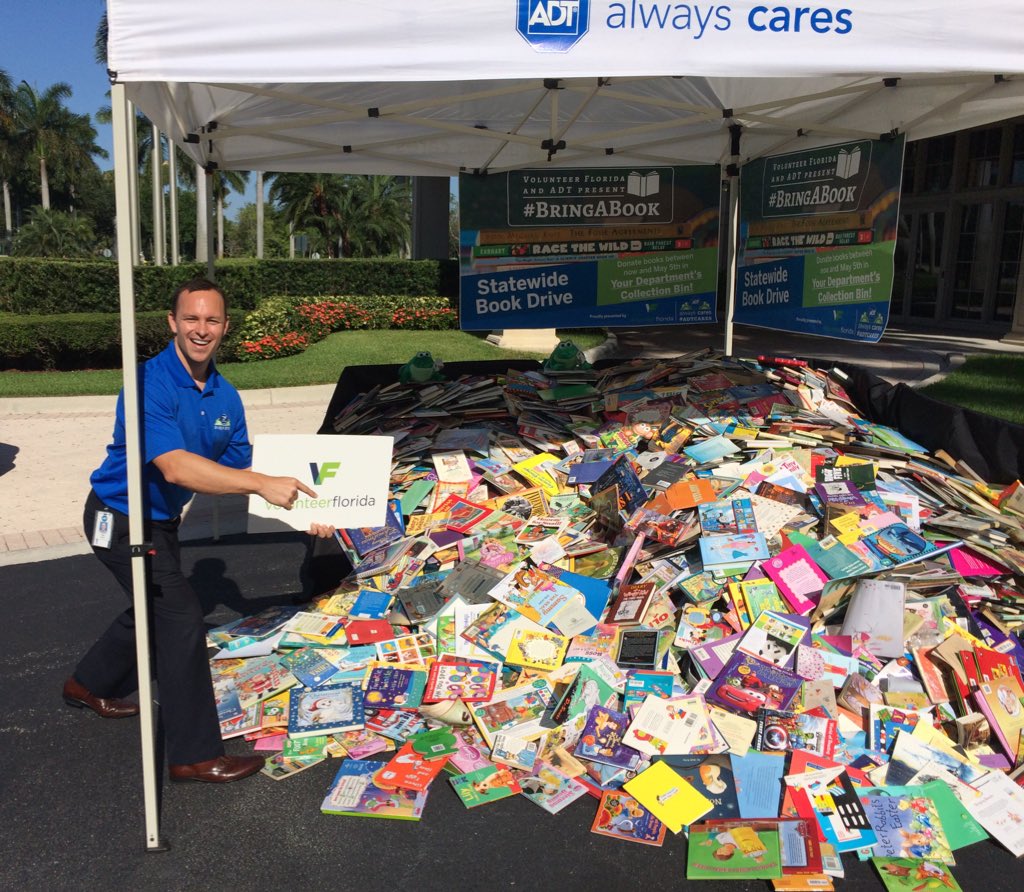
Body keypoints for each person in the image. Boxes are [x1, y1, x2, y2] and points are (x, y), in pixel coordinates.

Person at [63, 277, 333, 784]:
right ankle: (194, 754)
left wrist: (306, 506)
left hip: (161, 523)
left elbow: (246, 466)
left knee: (154, 604)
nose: (201, 330)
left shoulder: (227, 398)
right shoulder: (147, 383)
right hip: (117, 518)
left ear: (225, 327)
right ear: (172, 323)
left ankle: (86, 683)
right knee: (181, 615)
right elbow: (177, 469)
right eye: (191, 318)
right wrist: (260, 483)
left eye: (211, 320)